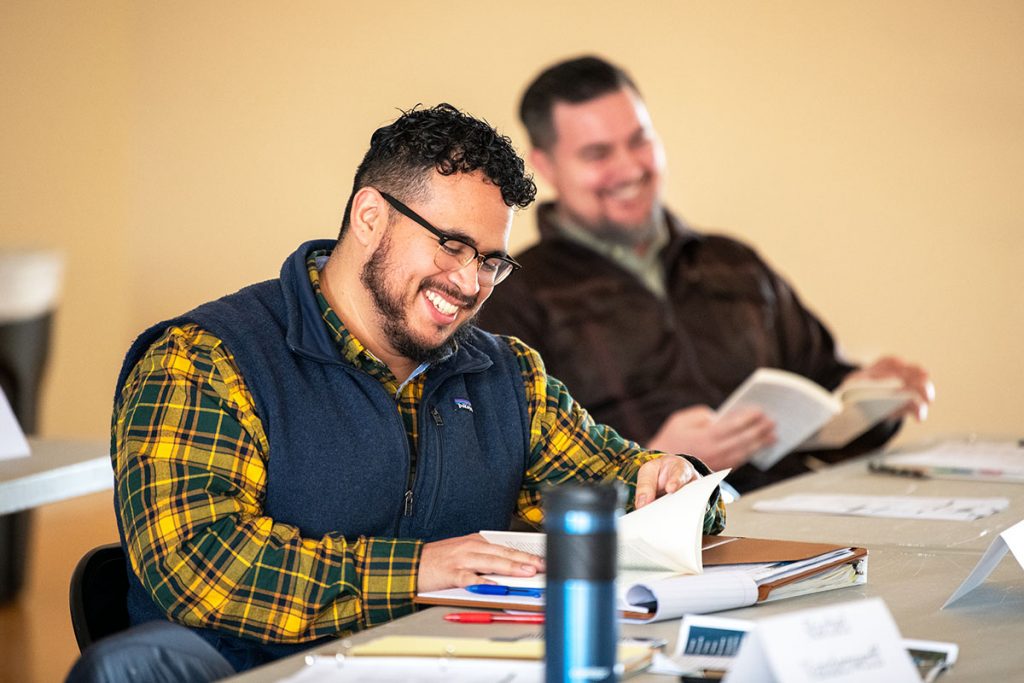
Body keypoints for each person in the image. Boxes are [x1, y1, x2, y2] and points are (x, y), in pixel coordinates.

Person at [96, 103, 725, 678]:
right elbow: (201, 564)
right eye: (451, 245)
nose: (469, 281)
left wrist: (676, 486)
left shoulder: (506, 375)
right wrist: (419, 571)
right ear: (370, 216)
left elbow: (620, 485)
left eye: (490, 261)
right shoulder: (204, 360)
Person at [478, 56, 934, 493]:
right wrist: (651, 460)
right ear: (546, 165)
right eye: (598, 153)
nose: (629, 168)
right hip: (660, 543)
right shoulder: (516, 294)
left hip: (794, 515)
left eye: (640, 141)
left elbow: (824, 387)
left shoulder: (733, 260)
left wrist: (875, 400)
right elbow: (510, 475)